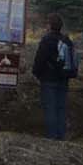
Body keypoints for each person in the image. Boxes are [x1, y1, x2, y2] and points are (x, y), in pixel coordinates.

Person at [32, 13, 75, 141]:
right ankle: (61, 136)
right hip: (64, 78)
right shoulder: (66, 40)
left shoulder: (46, 40)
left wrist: (37, 74)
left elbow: (40, 60)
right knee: (61, 108)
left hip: (48, 79)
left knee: (50, 108)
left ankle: (52, 137)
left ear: (50, 26)